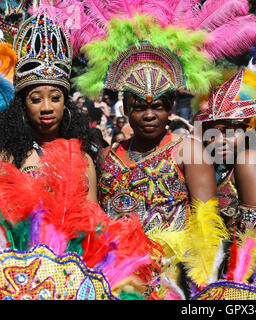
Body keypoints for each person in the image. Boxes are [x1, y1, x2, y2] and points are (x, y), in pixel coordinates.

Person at [75, 14, 228, 233]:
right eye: (139, 108)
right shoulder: (106, 156)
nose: (149, 115)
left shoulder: (189, 151)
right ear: (127, 110)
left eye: (157, 107)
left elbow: (207, 228)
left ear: (169, 110)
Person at [0, 14, 98, 202]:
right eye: (36, 99)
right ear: (23, 106)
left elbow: (96, 224)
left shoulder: (84, 159)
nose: (47, 107)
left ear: (65, 103)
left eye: (55, 98)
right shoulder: (8, 158)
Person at [194, 68, 256, 233]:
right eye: (213, 133)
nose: (219, 141)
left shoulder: (250, 160)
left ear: (247, 131)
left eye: (229, 132)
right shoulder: (212, 167)